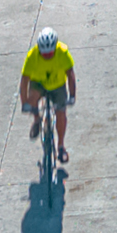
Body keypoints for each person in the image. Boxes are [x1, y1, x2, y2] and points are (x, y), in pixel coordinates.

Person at [18, 27, 77, 165]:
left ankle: (61, 146)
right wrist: (25, 103)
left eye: (50, 53)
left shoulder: (63, 52)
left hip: (58, 85)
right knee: (33, 98)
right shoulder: (32, 56)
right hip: (39, 84)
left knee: (61, 112)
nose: (47, 56)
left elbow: (70, 75)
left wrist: (72, 95)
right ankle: (37, 119)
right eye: (44, 54)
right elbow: (24, 81)